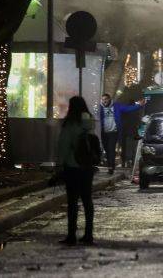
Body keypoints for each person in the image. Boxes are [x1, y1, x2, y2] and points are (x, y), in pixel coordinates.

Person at [56, 96, 98, 246]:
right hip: (87, 167)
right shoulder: (90, 122)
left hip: (72, 167)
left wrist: (59, 164)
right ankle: (88, 234)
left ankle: (71, 235)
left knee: (72, 202)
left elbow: (63, 145)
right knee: (87, 200)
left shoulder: (71, 124)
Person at [99, 94, 144, 175]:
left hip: (114, 132)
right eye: (103, 99)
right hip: (104, 132)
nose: (104, 101)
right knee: (107, 149)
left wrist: (138, 105)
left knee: (111, 149)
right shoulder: (100, 108)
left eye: (106, 99)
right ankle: (110, 165)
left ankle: (111, 168)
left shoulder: (116, 106)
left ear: (109, 99)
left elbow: (128, 109)